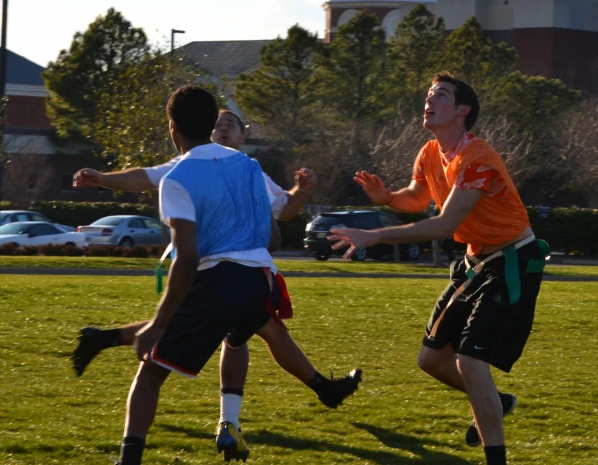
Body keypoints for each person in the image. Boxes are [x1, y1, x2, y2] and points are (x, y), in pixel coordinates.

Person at [76, 104, 361, 463]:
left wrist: (301, 191)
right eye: (221, 124)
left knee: (155, 366)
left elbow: (283, 209)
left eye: (232, 124)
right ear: (210, 129)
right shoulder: (222, 167)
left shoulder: (229, 169)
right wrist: (103, 178)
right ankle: (305, 395)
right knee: (256, 332)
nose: (225, 129)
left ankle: (130, 453)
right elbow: (142, 176)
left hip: (219, 277)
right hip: (253, 279)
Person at [328, 72, 547, 465]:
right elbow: (416, 198)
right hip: (475, 261)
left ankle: (496, 458)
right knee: (431, 360)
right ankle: (496, 402)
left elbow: (445, 224)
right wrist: (387, 197)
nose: (429, 101)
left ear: (462, 111)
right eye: (429, 95)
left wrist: (374, 236)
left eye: (440, 96)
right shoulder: (430, 152)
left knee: (470, 359)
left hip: (512, 259)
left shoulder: (477, 157)